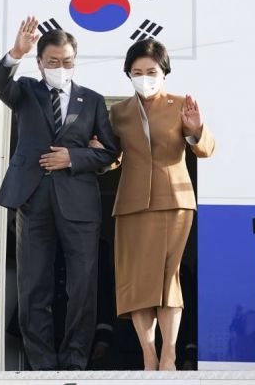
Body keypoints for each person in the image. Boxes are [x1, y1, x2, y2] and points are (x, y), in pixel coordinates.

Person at [0, 16, 119, 370]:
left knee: (83, 286)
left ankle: (75, 361)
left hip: (79, 204)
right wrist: (16, 52)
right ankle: (42, 365)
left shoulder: (92, 100)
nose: (61, 68)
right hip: (33, 200)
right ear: (40, 62)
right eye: (53, 62)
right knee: (34, 285)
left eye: (67, 62)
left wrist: (72, 157)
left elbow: (109, 151)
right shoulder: (26, 91)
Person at [90, 38, 215, 370]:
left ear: (164, 73)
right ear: (128, 74)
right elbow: (113, 158)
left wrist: (196, 130)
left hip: (174, 202)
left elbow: (206, 149)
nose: (144, 78)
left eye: (151, 71)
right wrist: (98, 154)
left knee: (167, 278)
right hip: (131, 204)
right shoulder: (118, 112)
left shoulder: (181, 105)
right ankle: (149, 355)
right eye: (137, 72)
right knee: (137, 282)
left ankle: (169, 354)